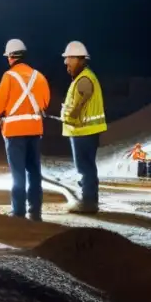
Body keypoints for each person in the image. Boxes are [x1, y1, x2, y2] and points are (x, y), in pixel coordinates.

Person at [0, 38, 50, 220]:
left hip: (14, 133)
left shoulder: (8, 77)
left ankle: (18, 212)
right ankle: (35, 212)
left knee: (18, 174)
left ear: (10, 57)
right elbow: (45, 103)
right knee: (34, 172)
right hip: (35, 131)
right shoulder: (39, 77)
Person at [61, 40, 107, 214]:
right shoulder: (84, 77)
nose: (66, 63)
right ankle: (89, 200)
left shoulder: (84, 79)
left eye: (68, 59)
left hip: (83, 131)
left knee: (84, 168)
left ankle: (88, 202)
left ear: (78, 59)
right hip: (86, 130)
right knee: (87, 167)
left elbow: (84, 96)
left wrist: (72, 115)